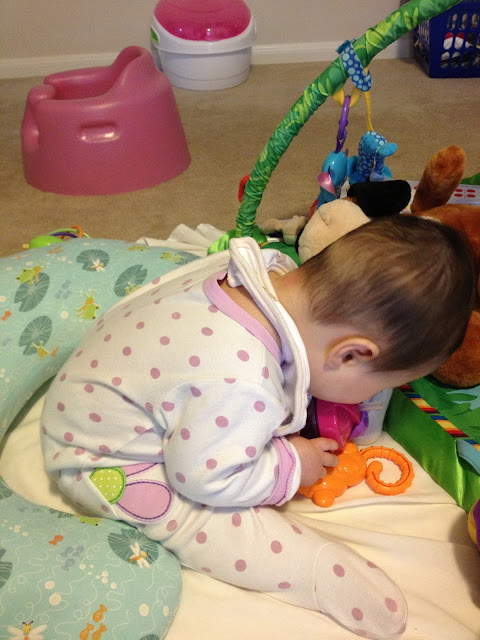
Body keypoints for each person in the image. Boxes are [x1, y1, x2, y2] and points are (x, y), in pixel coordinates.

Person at [41, 216, 475, 639]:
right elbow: (203, 479)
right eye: (380, 387)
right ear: (349, 355)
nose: (371, 400)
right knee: (197, 519)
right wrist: (290, 465)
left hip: (101, 374)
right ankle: (319, 573)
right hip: (95, 451)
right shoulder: (244, 383)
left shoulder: (264, 270)